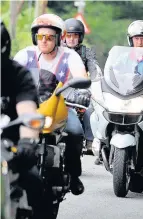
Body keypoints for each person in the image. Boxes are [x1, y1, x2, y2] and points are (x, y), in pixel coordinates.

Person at [13, 14, 89, 195]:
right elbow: (10, 75)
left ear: (58, 39)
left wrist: (81, 91)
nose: (44, 41)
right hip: (30, 107)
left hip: (60, 107)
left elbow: (80, 76)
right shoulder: (25, 54)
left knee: (75, 132)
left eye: (49, 37)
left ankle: (73, 174)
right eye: (40, 37)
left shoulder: (69, 55)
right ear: (35, 38)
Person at [1, 20, 44, 219]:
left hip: (9, 142)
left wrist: (27, 142)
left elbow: (27, 112)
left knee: (34, 180)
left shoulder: (18, 74)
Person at [64, 18, 100, 160]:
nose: (72, 39)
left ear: (80, 37)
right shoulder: (57, 50)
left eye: (75, 36)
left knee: (91, 108)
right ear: (63, 36)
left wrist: (97, 80)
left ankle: (91, 140)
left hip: (80, 88)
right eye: (69, 35)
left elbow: (95, 70)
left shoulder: (86, 52)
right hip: (60, 88)